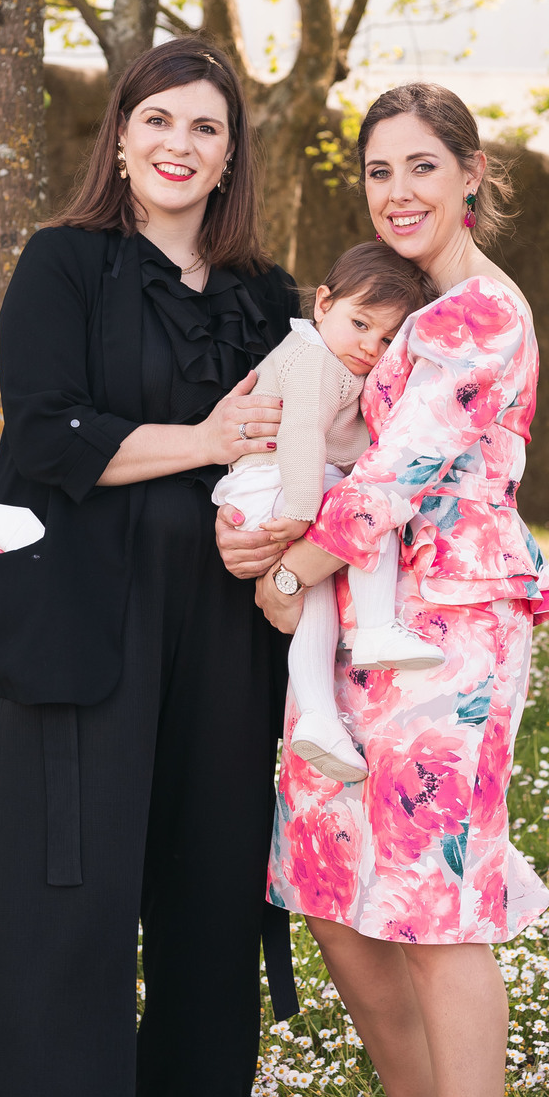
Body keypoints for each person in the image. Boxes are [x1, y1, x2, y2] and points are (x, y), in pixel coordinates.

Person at [217, 81, 549, 1097]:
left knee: (435, 910)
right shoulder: (401, 309)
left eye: (424, 166)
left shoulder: (479, 315)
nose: (401, 191)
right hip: (359, 624)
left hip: (450, 633)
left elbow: (396, 477)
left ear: (474, 175)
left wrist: (284, 571)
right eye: (379, 171)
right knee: (327, 883)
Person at [0, 36, 299, 1097]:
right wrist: (206, 439)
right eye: (158, 119)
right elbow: (47, 437)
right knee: (73, 889)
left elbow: (308, 445)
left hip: (225, 623)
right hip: (81, 620)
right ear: (119, 135)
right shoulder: (64, 265)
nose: (178, 144)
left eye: (206, 127)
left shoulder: (268, 295)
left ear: (231, 155)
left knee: (214, 875)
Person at [212, 242, 438, 785]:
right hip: (278, 482)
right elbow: (302, 433)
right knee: (370, 510)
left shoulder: (334, 360)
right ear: (322, 303)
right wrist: (300, 508)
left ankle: (318, 718)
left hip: (271, 484)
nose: (369, 346)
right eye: (360, 324)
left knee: (315, 597)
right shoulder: (313, 358)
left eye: (387, 339)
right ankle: (377, 628)